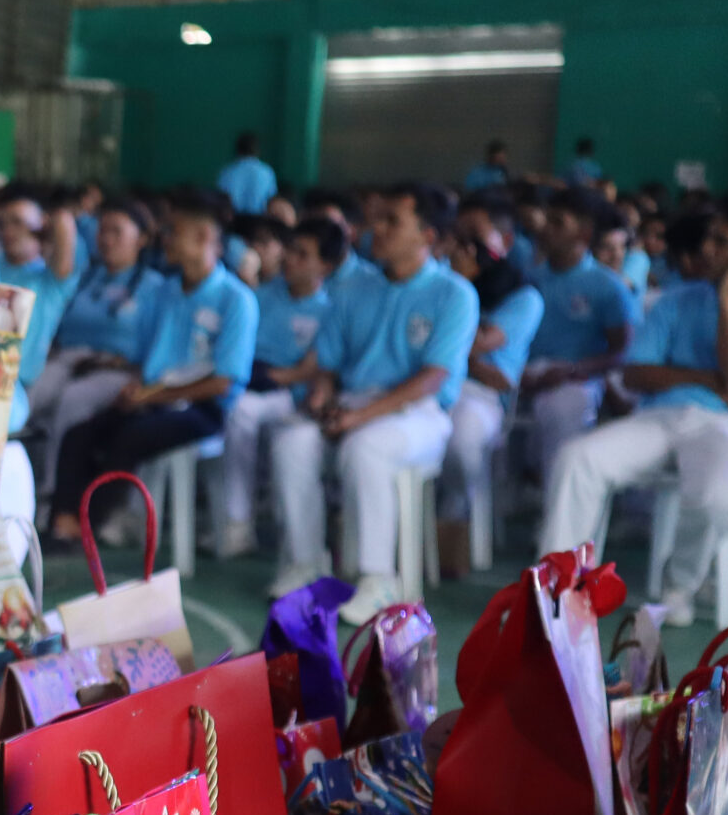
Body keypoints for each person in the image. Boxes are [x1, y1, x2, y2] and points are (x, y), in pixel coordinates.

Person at [266, 183, 480, 622]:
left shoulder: (453, 294)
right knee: (292, 442)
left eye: (392, 222)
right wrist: (322, 401)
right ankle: (307, 563)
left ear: (427, 236)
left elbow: (432, 378)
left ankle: (379, 578)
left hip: (418, 414)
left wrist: (358, 418)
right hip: (353, 404)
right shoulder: (352, 289)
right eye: (377, 219)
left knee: (366, 447)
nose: (376, 229)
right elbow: (328, 365)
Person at [539, 205, 728, 626]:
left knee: (719, 496)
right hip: (659, 416)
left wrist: (727, 302)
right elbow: (636, 373)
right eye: (709, 238)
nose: (707, 248)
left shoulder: (718, 302)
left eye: (721, 242)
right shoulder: (677, 299)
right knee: (577, 458)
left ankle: (680, 584)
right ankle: (559, 587)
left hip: (723, 424)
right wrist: (705, 378)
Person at [51, 190, 256, 545]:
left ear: (203, 237)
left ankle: (89, 526)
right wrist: (137, 387)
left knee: (130, 437)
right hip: (153, 397)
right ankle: (62, 520)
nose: (166, 239)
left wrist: (152, 397)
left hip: (202, 409)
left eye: (174, 231)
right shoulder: (166, 291)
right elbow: (148, 359)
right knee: (79, 434)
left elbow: (223, 382)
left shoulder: (235, 299)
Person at [221, 216, 344, 557]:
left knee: (243, 410)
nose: (289, 259)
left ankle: (244, 522)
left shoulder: (330, 311)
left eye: (302, 254)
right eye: (290, 250)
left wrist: (272, 377)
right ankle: (236, 522)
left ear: (325, 266)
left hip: (290, 397)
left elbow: (308, 371)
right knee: (236, 408)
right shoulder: (259, 297)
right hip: (251, 382)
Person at [24, 197, 157, 507]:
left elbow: (155, 350)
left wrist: (130, 370)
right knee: (29, 393)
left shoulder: (155, 288)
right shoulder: (85, 277)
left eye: (116, 231)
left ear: (141, 239)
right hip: (68, 360)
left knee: (74, 399)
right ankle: (17, 485)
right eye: (102, 231)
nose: (106, 239)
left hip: (118, 369)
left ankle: (55, 496)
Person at [435, 228, 543, 560]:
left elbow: (482, 346)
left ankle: (459, 509)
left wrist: (446, 350)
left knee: (463, 438)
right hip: (434, 387)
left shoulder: (522, 296)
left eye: (472, 247)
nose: (461, 253)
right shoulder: (439, 283)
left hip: (480, 396)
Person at [520, 187, 638, 483]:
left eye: (557, 223)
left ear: (583, 234)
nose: (545, 229)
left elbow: (622, 352)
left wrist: (571, 370)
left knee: (564, 407)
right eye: (546, 220)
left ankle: (558, 495)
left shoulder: (607, 285)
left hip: (579, 376)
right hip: (525, 373)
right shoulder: (528, 278)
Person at [0, 184, 79, 540]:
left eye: (18, 222)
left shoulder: (50, 279)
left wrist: (45, 222)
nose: (9, 230)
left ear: (41, 225)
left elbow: (65, 227)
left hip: (18, 387)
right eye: (3, 223)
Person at [216, 132, 277, 216]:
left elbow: (220, 199)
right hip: (259, 220)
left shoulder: (227, 171)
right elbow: (272, 200)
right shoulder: (266, 172)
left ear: (237, 149)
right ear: (257, 150)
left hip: (232, 219)